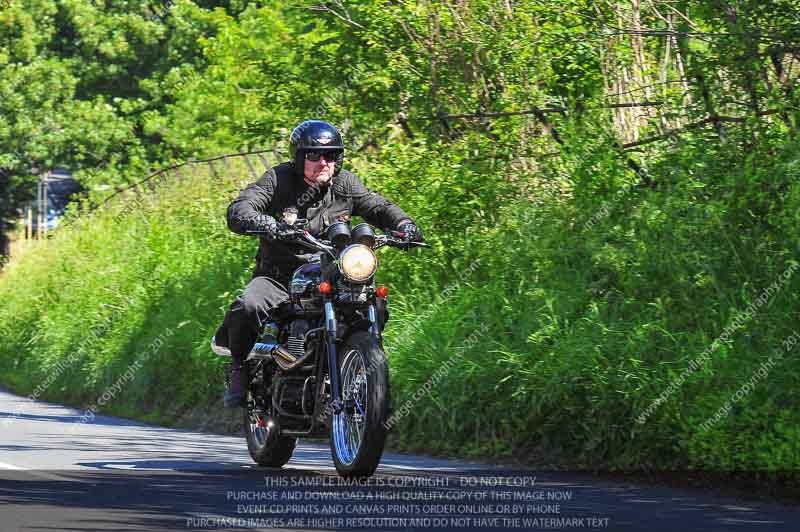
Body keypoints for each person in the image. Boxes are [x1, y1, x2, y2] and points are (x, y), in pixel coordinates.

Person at [214, 120, 424, 407]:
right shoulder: (278, 180)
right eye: (313, 155)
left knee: (373, 300)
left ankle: (361, 370)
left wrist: (405, 225)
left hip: (332, 270)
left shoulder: (345, 183)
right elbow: (241, 208)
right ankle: (238, 367)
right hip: (280, 277)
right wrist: (268, 224)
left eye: (331, 156)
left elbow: (378, 206)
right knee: (248, 306)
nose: (323, 162)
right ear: (299, 157)